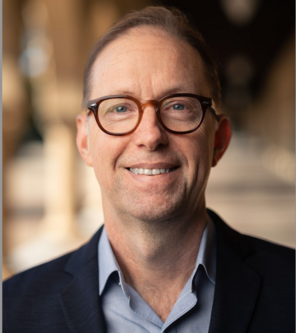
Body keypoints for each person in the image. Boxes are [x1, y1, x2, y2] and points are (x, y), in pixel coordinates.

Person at [3, 6, 294, 333]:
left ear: (219, 140)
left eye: (178, 106)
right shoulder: (11, 311)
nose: (151, 135)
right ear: (84, 140)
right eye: (121, 108)